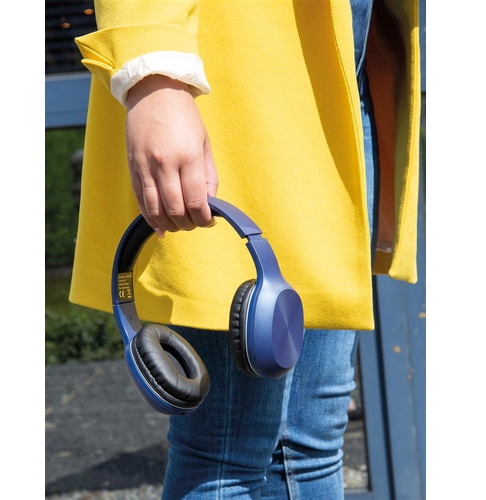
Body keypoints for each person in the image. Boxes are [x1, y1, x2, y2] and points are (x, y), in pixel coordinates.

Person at [70, 0, 421, 498]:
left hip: (342, 81)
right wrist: (155, 77)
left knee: (313, 443)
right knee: (226, 450)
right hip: (233, 92)